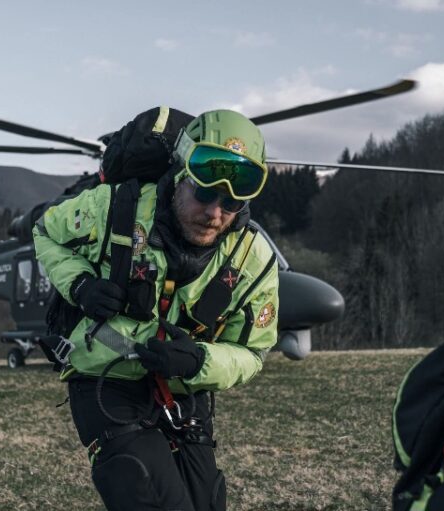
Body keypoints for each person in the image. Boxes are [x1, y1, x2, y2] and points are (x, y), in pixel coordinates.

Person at [33, 109, 279, 511]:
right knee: (148, 494)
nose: (215, 213)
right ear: (181, 175)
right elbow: (45, 230)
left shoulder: (253, 259)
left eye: (232, 202)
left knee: (206, 503)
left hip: (183, 389)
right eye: (204, 193)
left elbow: (253, 352)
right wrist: (80, 285)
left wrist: (201, 360)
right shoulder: (115, 209)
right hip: (106, 377)